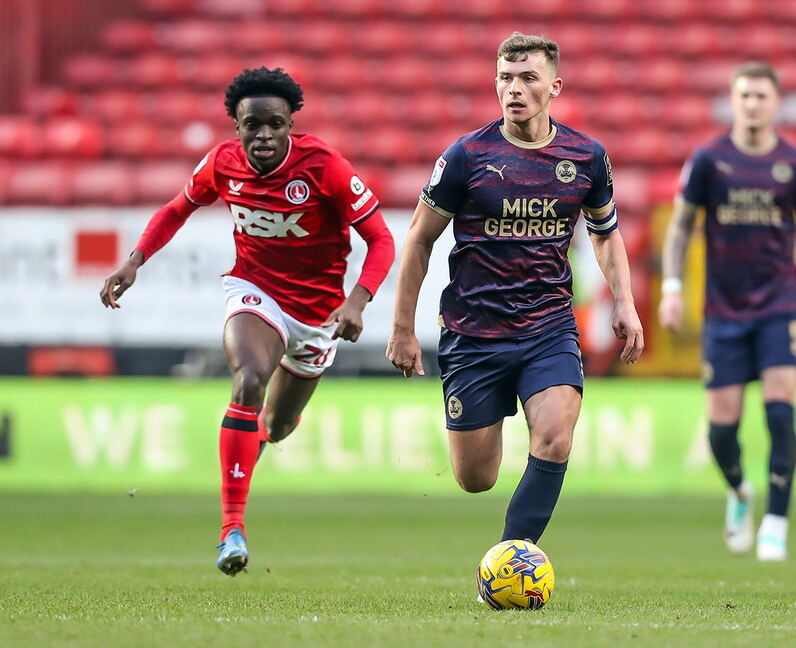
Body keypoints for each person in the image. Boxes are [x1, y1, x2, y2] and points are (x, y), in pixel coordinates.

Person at [99, 67, 395, 576]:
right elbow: (175, 209)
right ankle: (230, 529)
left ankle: (255, 438)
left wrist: (357, 301)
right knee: (249, 379)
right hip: (255, 291)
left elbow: (382, 239)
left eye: (274, 125)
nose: (262, 135)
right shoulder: (222, 163)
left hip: (320, 315)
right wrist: (135, 259)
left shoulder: (324, 166)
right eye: (251, 125)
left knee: (276, 427)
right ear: (236, 126)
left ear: (289, 125)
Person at [386, 32, 643, 561]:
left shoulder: (587, 157)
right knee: (476, 478)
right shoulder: (466, 156)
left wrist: (624, 300)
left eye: (528, 78)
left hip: (548, 327)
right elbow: (418, 238)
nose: (515, 89)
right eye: (506, 78)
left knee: (555, 436)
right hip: (473, 332)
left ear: (554, 86)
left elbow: (605, 232)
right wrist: (402, 327)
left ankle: (509, 560)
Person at [658, 61, 796, 562]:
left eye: (762, 96)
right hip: (723, 310)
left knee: (781, 415)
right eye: (745, 96)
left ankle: (776, 524)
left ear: (775, 102)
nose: (753, 104)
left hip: (780, 304)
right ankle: (740, 492)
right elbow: (680, 228)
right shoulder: (708, 159)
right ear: (734, 101)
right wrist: (671, 287)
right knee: (722, 429)